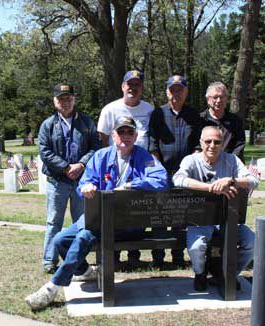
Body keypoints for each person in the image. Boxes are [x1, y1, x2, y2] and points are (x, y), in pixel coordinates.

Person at [26, 116, 168, 310]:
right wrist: (86, 187)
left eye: (129, 132)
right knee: (60, 240)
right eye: (121, 132)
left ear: (135, 136)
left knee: (84, 236)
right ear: (113, 135)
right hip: (98, 217)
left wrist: (132, 185)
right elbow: (84, 183)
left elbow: (161, 180)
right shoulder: (101, 156)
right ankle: (85, 271)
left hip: (128, 223)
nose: (125, 136)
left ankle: (52, 287)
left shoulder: (144, 157)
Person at [172, 126, 258, 291]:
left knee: (252, 242)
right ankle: (200, 273)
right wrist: (210, 188)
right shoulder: (191, 160)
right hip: (200, 220)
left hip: (229, 219)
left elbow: (253, 180)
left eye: (217, 142)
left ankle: (227, 274)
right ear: (201, 142)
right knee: (196, 247)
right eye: (208, 141)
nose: (212, 145)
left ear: (222, 143)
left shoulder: (231, 160)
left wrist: (231, 181)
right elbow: (178, 179)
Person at [38, 83, 100, 274]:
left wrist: (80, 165)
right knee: (53, 221)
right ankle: (50, 260)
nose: (65, 102)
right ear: (55, 101)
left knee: (81, 222)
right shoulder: (48, 125)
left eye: (68, 98)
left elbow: (95, 147)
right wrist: (65, 167)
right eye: (61, 98)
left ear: (74, 99)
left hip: (81, 182)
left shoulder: (87, 122)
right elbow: (44, 151)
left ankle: (77, 259)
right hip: (57, 181)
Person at [97, 70, 154, 264]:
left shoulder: (149, 109)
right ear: (123, 86)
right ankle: (112, 257)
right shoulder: (110, 109)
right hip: (117, 167)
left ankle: (134, 256)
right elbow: (103, 138)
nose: (133, 88)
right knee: (115, 212)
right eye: (129, 84)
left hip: (141, 166)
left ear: (142, 88)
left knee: (138, 212)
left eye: (137, 85)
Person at [149, 75, 203, 268]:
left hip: (186, 174)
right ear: (167, 92)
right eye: (172, 90)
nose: (176, 94)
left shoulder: (194, 115)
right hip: (163, 173)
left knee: (181, 216)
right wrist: (159, 172)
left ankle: (178, 256)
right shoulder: (158, 114)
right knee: (159, 216)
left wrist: (189, 168)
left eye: (180, 90)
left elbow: (198, 145)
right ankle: (158, 257)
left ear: (186, 92)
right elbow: (152, 144)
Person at [201, 81, 245, 161]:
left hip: (230, 165)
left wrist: (228, 163)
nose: (218, 100)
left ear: (227, 99)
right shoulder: (200, 120)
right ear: (208, 99)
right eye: (215, 97)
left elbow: (239, 146)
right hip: (205, 165)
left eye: (222, 97)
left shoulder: (235, 121)